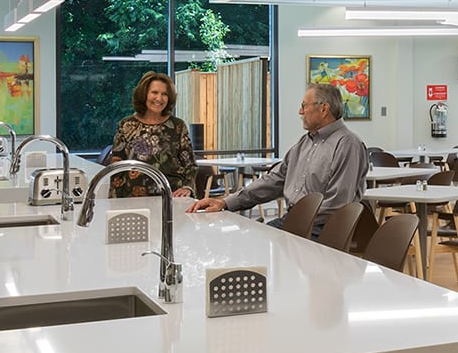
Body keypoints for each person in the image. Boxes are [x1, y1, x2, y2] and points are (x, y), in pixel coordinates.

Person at [188, 82, 365, 235]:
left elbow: (338, 205)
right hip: (295, 221)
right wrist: (225, 202)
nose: (300, 111)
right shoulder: (304, 143)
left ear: (324, 109)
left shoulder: (347, 144)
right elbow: (273, 180)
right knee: (247, 238)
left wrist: (298, 222)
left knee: (259, 245)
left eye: (304, 106)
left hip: (321, 229)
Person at [106, 71, 195, 199]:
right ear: (144, 94)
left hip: (172, 198)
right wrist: (114, 203)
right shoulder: (126, 125)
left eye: (164, 94)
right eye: (154, 92)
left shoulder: (177, 126)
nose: (159, 98)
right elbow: (117, 167)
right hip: (134, 199)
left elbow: (190, 165)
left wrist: (187, 188)